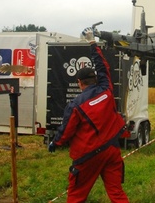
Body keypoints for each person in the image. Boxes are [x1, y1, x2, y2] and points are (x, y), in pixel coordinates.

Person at [48, 27, 129, 203]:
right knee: (116, 193)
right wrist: (92, 43)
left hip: (88, 157)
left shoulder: (76, 105)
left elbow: (66, 130)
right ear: (95, 79)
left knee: (76, 196)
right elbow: (102, 66)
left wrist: (55, 142)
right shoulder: (106, 89)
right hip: (111, 150)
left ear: (79, 82)